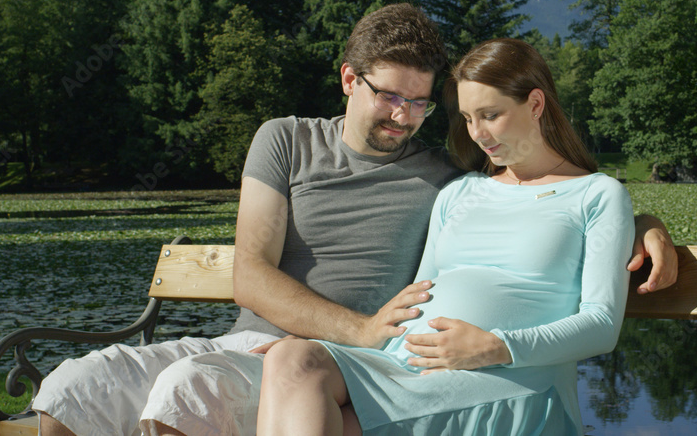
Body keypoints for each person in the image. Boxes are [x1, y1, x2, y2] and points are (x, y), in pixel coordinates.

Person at [33, 5, 675, 436]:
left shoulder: (444, 176)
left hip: (372, 361)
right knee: (72, 387)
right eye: (391, 96)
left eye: (421, 104)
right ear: (348, 80)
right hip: (299, 348)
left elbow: (553, 197)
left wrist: (645, 223)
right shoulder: (286, 140)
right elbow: (250, 278)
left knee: (186, 389)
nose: (405, 116)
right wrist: (366, 331)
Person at [256, 37, 635, 435]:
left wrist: (498, 346)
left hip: (509, 379)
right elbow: (422, 292)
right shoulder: (460, 191)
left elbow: (602, 324)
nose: (478, 133)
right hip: (408, 367)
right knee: (293, 358)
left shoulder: (596, 194)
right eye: (469, 118)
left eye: (491, 114)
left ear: (536, 104)